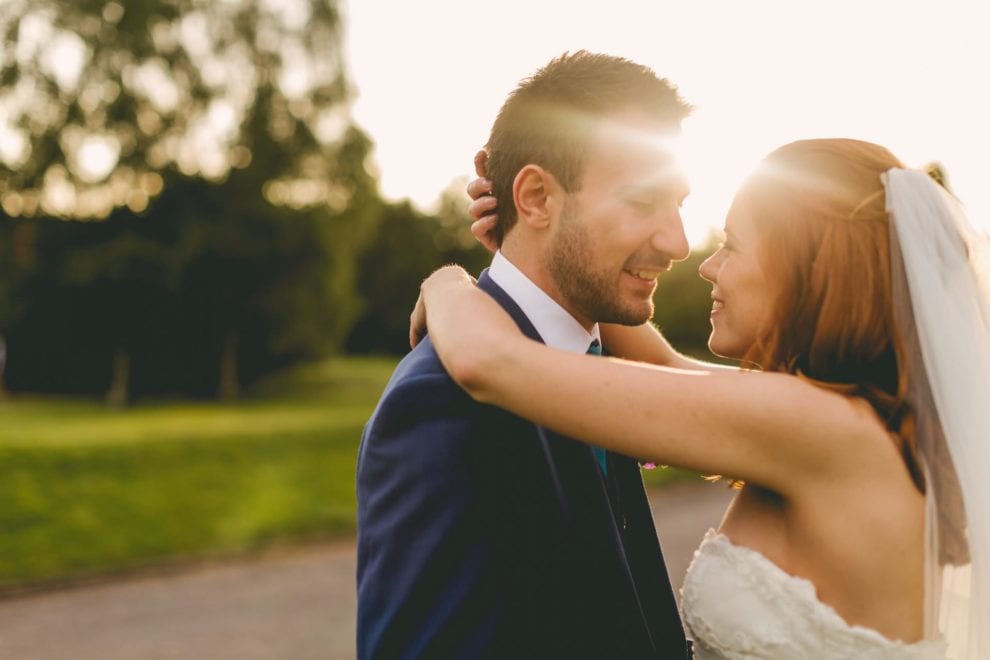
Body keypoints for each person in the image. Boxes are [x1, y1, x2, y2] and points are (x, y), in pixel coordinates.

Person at [414, 138, 990, 658]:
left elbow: (486, 362)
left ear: (808, 270)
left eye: (733, 246)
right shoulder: (852, 423)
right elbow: (664, 366)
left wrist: (445, 282)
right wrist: (544, 241)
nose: (708, 266)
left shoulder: (808, 424)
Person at [356, 51, 697, 658]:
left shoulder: (600, 362)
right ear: (535, 196)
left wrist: (447, 280)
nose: (678, 242)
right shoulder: (439, 404)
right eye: (644, 203)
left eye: (680, 204)